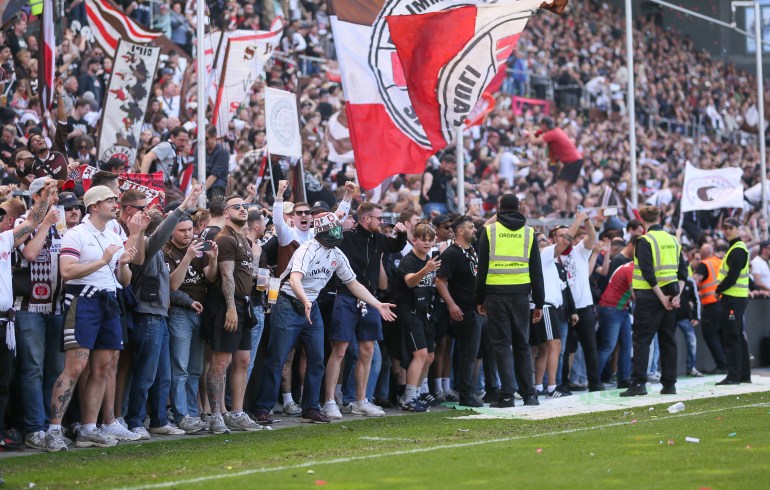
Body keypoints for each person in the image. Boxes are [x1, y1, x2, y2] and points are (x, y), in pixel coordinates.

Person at [253, 212, 396, 424]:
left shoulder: (336, 253)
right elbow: (294, 279)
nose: (338, 234)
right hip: (290, 303)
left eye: (338, 229)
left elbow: (353, 283)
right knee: (277, 359)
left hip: (312, 306)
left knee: (317, 360)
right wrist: (305, 300)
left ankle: (311, 407)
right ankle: (262, 408)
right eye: (333, 230)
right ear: (321, 232)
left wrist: (376, 303)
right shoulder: (307, 249)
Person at [45, 185, 137, 451]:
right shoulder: (76, 234)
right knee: (75, 367)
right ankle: (54, 429)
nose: (115, 204)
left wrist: (124, 264)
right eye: (109, 200)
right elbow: (67, 271)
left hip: (109, 300)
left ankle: (88, 428)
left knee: (103, 367)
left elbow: (124, 280)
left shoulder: (113, 233)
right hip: (83, 301)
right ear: (94, 206)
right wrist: (104, 260)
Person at [322, 202, 407, 419]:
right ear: (366, 219)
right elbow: (325, 237)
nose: (381, 222)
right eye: (379, 218)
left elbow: (396, 246)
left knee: (368, 350)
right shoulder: (347, 237)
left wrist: (403, 234)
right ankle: (330, 401)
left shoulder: (378, 238)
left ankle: (361, 401)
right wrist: (339, 214)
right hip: (346, 297)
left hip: (370, 300)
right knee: (339, 350)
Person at [0, 180, 57, 447]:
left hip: (32, 314)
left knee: (8, 381)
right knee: (28, 372)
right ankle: (30, 428)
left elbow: (33, 222)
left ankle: (8, 432)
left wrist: (45, 202)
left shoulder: (4, 239)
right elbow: (32, 249)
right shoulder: (9, 234)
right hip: (24, 310)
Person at [202, 194, 264, 434]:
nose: (242, 209)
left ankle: (236, 413)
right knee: (220, 361)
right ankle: (215, 415)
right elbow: (225, 276)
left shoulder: (243, 239)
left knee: (242, 360)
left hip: (244, 304)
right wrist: (230, 307)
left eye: (245, 206)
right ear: (225, 213)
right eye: (236, 206)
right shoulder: (225, 238)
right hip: (228, 304)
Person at [476, 193, 545, 407]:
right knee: (522, 345)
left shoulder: (489, 231)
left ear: (499, 206)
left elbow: (482, 268)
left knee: (502, 345)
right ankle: (530, 395)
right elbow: (536, 270)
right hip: (522, 296)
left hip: (495, 294)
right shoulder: (529, 232)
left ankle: (506, 395)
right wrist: (539, 302)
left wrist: (479, 298)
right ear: (518, 207)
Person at [13, 179, 67, 450]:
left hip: (57, 307)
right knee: (33, 369)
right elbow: (32, 253)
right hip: (29, 308)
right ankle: (34, 428)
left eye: (56, 193)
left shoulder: (61, 223)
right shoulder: (22, 222)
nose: (56, 197)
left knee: (55, 370)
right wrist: (45, 222)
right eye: (50, 193)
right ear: (36, 197)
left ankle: (50, 426)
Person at [621, 206, 687, 397]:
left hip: (650, 297)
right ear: (660, 217)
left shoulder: (644, 240)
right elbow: (683, 272)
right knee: (668, 340)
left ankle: (639, 384)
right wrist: (676, 297)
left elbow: (648, 274)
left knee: (642, 340)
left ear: (642, 220)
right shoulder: (673, 239)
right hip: (672, 294)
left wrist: (662, 298)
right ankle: (669, 384)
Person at [164, 212, 218, 434]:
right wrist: (186, 258)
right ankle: (181, 415)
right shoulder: (166, 251)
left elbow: (211, 277)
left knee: (195, 369)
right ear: (172, 231)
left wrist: (213, 259)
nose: (188, 234)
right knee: (180, 368)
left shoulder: (199, 246)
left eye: (190, 229)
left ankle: (193, 414)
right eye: (182, 230)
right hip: (179, 312)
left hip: (201, 313)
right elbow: (171, 286)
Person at [532, 214, 584, 399]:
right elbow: (563, 244)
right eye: (542, 240)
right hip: (546, 306)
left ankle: (539, 386)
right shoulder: (542, 255)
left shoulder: (551, 262)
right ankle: (551, 387)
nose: (546, 242)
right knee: (555, 347)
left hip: (550, 308)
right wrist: (577, 221)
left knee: (546, 349)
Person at [435, 215, 483, 407]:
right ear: (460, 231)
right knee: (467, 354)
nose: (474, 230)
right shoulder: (451, 253)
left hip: (475, 308)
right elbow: (440, 281)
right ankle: (466, 394)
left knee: (474, 353)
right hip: (463, 310)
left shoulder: (472, 250)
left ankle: (469, 390)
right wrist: (451, 304)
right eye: (471, 227)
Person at [557, 211, 604, 393]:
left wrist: (587, 220)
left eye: (566, 233)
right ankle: (563, 383)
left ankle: (595, 382)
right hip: (564, 309)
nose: (564, 237)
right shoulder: (553, 254)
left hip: (584, 307)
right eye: (560, 235)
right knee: (566, 350)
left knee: (589, 347)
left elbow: (592, 236)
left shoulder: (580, 251)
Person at [715, 218, 752, 385]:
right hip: (736, 297)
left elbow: (732, 277)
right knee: (737, 336)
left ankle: (734, 375)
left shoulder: (737, 250)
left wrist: (718, 289)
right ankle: (743, 374)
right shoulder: (736, 248)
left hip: (733, 298)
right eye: (724, 228)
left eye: (730, 227)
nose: (727, 230)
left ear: (738, 229)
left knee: (731, 336)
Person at [529, 117, 583, 216]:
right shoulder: (557, 130)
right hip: (577, 160)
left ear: (545, 125)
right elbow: (541, 131)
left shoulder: (551, 134)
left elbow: (534, 141)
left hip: (571, 161)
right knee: (568, 188)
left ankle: (562, 211)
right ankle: (571, 212)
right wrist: (536, 131)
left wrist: (529, 130)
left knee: (559, 187)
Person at [694, 243, 728, 374]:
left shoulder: (704, 264)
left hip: (711, 305)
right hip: (724, 303)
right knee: (722, 335)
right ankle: (727, 364)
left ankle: (721, 364)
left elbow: (696, 280)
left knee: (710, 335)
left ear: (702, 254)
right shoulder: (720, 262)